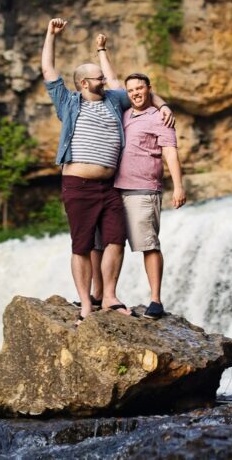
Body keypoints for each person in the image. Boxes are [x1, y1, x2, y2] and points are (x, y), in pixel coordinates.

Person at [40, 18, 174, 324]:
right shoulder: (69, 102)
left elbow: (145, 95)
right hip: (78, 184)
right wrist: (51, 35)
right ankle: (87, 303)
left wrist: (164, 106)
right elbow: (49, 71)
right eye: (98, 78)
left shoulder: (113, 100)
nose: (104, 80)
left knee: (115, 239)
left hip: (110, 186)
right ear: (84, 83)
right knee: (82, 245)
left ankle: (110, 297)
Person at [98, 34, 186, 319]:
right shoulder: (123, 109)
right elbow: (111, 79)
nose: (135, 92)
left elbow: (170, 152)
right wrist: (102, 49)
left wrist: (178, 187)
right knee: (111, 242)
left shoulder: (160, 118)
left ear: (149, 89)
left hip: (143, 190)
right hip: (115, 190)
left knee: (148, 244)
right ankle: (104, 296)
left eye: (140, 88)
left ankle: (156, 301)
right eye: (131, 89)